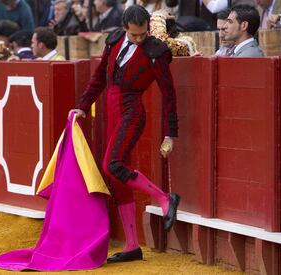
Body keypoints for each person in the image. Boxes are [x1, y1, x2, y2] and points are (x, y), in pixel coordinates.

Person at [69, 5, 180, 263]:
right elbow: (99, 78)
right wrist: (83, 106)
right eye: (135, 36)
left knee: (113, 165)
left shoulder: (157, 52)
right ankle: (132, 246)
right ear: (125, 28)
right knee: (117, 177)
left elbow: (169, 95)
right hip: (112, 112)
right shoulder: (115, 40)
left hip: (132, 112)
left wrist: (169, 133)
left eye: (143, 35)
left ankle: (164, 197)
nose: (140, 40)